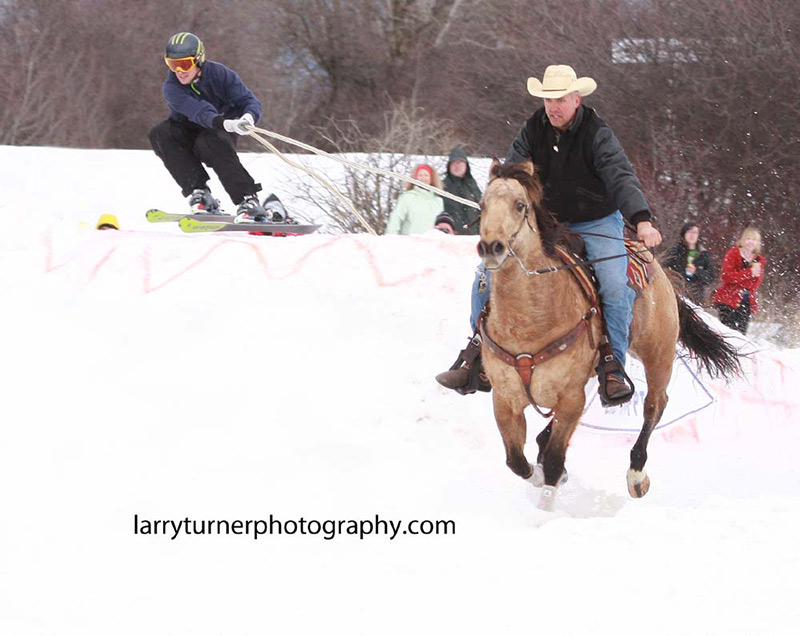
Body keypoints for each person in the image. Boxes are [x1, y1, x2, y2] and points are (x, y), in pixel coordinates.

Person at [436, 65, 662, 404]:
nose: (552, 107)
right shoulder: (533, 129)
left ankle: (612, 363)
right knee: (486, 272)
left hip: (596, 219)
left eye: (559, 99)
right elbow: (511, 173)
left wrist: (642, 220)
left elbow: (620, 176)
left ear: (576, 98)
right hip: (548, 221)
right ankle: (478, 353)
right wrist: (498, 199)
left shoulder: (597, 133)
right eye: (547, 99)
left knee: (614, 284)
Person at [148, 32, 267, 223]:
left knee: (210, 140)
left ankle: (247, 199)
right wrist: (223, 122)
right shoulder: (171, 87)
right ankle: (200, 192)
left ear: (198, 60)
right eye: (172, 64)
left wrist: (248, 117)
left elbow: (248, 100)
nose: (179, 71)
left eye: (184, 64)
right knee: (160, 134)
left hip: (218, 133)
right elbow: (198, 111)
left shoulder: (221, 75)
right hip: (189, 129)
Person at [712, 227, 765, 334]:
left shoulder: (758, 260)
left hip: (746, 302)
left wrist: (738, 278)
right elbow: (726, 276)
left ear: (757, 243)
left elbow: (754, 285)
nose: (750, 242)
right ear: (742, 240)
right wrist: (749, 273)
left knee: (741, 336)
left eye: (754, 239)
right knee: (727, 334)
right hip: (728, 299)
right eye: (748, 238)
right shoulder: (733, 254)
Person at [663, 220, 715, 304]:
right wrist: (682, 273)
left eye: (695, 233)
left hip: (696, 298)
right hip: (676, 294)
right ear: (684, 233)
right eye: (690, 232)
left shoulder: (703, 254)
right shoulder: (674, 252)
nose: (692, 235)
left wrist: (697, 272)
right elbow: (666, 270)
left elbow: (710, 277)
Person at [384, 164, 445, 235]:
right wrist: (391, 238)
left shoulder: (438, 201)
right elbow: (396, 219)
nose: (423, 178)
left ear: (431, 178)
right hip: (411, 242)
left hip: (432, 243)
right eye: (420, 175)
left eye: (426, 175)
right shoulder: (407, 198)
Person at [442, 147, 482, 235]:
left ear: (466, 165)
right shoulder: (443, 187)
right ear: (449, 166)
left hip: (474, 236)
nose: (457, 165)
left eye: (460, 162)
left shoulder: (472, 185)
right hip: (451, 236)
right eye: (454, 163)